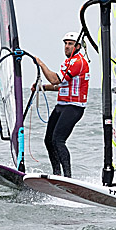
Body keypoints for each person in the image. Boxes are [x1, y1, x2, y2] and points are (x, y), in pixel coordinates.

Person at [32, 31, 90, 178]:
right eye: (65, 44)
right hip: (62, 105)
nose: (66, 47)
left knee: (58, 140)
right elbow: (60, 85)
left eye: (70, 44)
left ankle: (67, 177)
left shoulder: (78, 62)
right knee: (48, 140)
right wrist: (42, 87)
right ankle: (56, 174)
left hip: (74, 107)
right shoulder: (68, 62)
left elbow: (55, 80)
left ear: (77, 46)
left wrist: (41, 63)